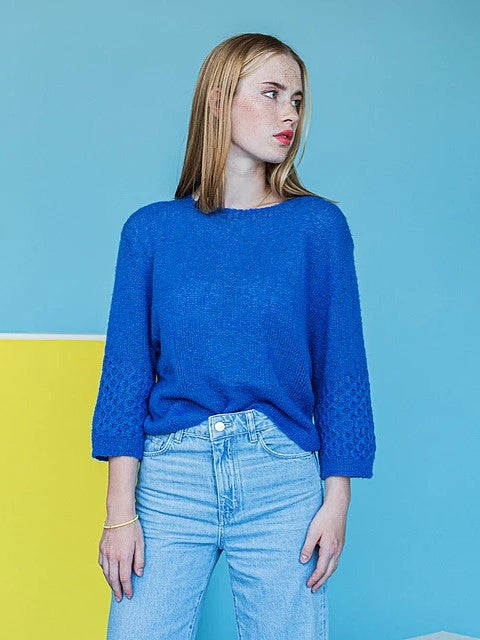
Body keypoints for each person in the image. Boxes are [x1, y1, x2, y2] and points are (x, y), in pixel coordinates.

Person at [91, 32, 376, 640]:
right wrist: (119, 514)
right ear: (219, 101)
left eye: (297, 99)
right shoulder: (151, 231)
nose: (290, 114)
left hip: (282, 481)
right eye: (271, 94)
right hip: (171, 480)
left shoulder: (318, 227)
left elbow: (342, 369)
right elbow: (125, 375)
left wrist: (337, 502)